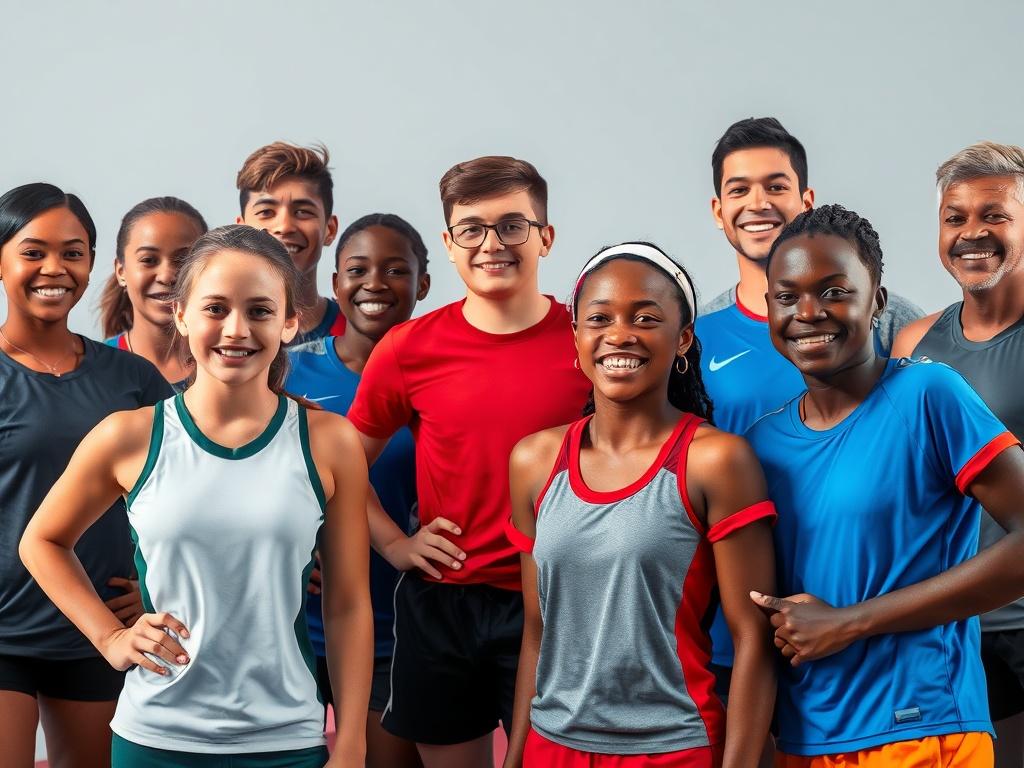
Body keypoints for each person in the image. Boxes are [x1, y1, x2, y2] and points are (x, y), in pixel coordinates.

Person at [20, 225, 373, 767]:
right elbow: (42, 541)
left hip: (287, 739)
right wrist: (111, 638)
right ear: (182, 315)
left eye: (259, 310)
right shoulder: (130, 435)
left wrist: (351, 741)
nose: (237, 330)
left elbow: (348, 603)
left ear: (290, 321)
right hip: (156, 740)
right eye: (215, 308)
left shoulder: (329, 441)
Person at [745, 204, 1024, 766]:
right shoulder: (760, 443)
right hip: (804, 739)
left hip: (924, 732)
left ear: (876, 300)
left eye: (833, 291)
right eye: (787, 296)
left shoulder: (927, 395)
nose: (808, 312)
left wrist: (848, 623)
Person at [346, 156, 593, 768]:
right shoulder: (410, 348)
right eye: (472, 229)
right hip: (445, 604)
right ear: (450, 245)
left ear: (546, 237)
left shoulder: (587, 340)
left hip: (562, 600)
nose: (493, 244)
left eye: (513, 226)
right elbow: (341, 466)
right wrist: (394, 545)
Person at [503, 243, 777, 768]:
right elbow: (537, 632)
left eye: (646, 318)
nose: (620, 334)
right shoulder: (534, 461)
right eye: (599, 318)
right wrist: (516, 757)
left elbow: (752, 637)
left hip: (672, 749)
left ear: (684, 340)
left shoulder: (716, 460)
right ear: (577, 338)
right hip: (552, 747)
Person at [696, 117, 923, 690]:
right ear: (717, 209)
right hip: (734, 607)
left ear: (806, 198)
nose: (758, 203)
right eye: (739, 189)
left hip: (856, 609)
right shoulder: (693, 337)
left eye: (776, 185)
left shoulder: (888, 320)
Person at [0, 182, 171, 768]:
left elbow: (181, 495)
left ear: (95, 263)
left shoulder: (133, 377)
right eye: (33, 251)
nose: (55, 267)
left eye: (73, 252)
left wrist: (150, 592)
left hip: (96, 629)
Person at [892, 141, 1024, 768]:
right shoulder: (917, 341)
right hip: (944, 626)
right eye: (956, 218)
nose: (972, 234)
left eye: (994, 216)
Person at [286, 213, 430, 768]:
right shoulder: (289, 373)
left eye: (396, 270)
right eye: (358, 269)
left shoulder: (438, 370)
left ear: (422, 284)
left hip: (399, 626)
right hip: (294, 622)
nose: (375, 282)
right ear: (335, 282)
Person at [236, 141, 346, 344]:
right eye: (266, 212)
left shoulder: (361, 337)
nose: (285, 226)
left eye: (303, 212)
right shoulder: (215, 337)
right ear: (241, 230)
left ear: (329, 229)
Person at [100, 196, 208, 388]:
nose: (167, 276)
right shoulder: (95, 368)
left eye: (183, 260)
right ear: (121, 271)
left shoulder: (231, 361)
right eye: (148, 260)